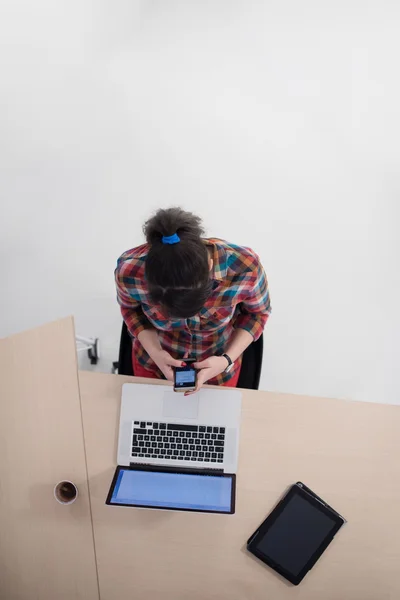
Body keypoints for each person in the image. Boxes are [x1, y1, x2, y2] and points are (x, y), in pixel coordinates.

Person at [115, 207, 271, 392]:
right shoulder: (129, 271)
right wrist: (156, 353)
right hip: (152, 365)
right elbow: (131, 310)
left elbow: (257, 314)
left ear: (210, 266)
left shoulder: (245, 267)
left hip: (219, 371)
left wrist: (226, 360)